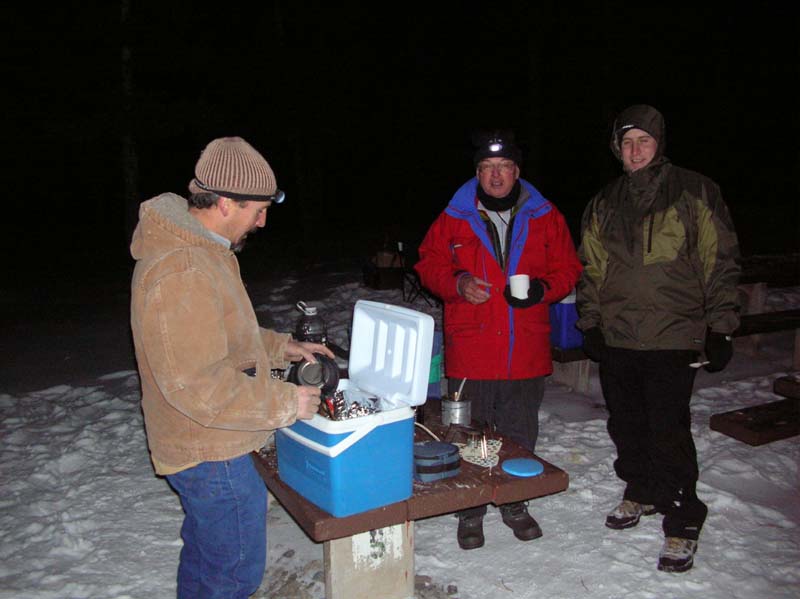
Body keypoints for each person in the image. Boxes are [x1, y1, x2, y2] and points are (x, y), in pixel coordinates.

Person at [129, 136, 331, 598]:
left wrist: (285, 348)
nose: (262, 222)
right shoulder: (183, 268)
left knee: (207, 561)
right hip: (210, 451)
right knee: (232, 576)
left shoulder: (206, 250)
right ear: (223, 202)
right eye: (256, 210)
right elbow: (196, 385)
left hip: (210, 441)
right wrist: (286, 402)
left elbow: (224, 338)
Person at [576, 104, 741, 573]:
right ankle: (642, 490)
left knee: (668, 430)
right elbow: (590, 269)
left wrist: (721, 326)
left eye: (643, 141)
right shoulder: (605, 201)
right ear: (616, 148)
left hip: (674, 334)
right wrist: (590, 322)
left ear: (658, 144)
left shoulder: (694, 191)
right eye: (627, 142)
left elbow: (720, 261)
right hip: (620, 336)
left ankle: (683, 515)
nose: (635, 150)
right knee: (626, 425)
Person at [415, 129, 582, 550]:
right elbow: (427, 263)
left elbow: (569, 268)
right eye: (487, 168)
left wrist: (545, 290)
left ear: (517, 171)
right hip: (471, 350)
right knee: (468, 432)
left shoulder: (546, 215)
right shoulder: (454, 215)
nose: (495, 176)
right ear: (477, 172)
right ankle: (470, 508)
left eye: (503, 167)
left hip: (524, 349)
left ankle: (515, 502)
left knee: (519, 431)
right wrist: (457, 282)